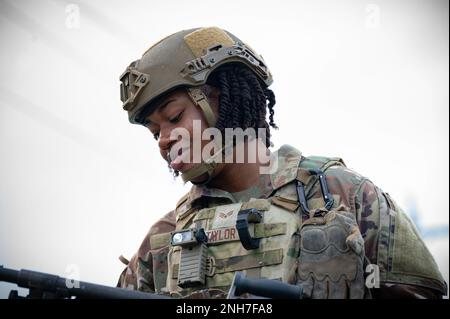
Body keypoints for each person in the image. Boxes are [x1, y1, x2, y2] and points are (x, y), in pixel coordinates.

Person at [116, 26, 446, 298]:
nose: (163, 140)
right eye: (154, 131)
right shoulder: (165, 238)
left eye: (174, 117)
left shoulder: (343, 195)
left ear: (225, 97)